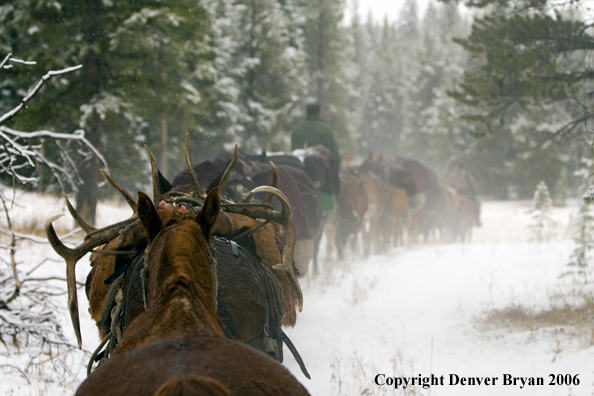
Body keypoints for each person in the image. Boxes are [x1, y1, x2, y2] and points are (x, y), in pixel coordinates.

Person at [291, 103, 340, 168]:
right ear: (319, 113)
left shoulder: (297, 128)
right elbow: (334, 154)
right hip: (320, 169)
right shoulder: (325, 129)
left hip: (299, 168)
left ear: (306, 112)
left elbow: (294, 150)